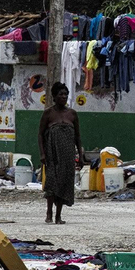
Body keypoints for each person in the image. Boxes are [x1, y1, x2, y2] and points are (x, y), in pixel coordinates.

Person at [37, 82, 83, 225]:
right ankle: (49, 213)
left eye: (65, 94)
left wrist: (80, 156)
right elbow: (40, 135)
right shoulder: (48, 114)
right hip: (52, 155)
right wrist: (42, 154)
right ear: (54, 97)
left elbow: (78, 136)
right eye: (60, 94)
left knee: (64, 183)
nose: (63, 97)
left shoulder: (72, 114)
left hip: (68, 156)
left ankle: (58, 216)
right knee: (51, 182)